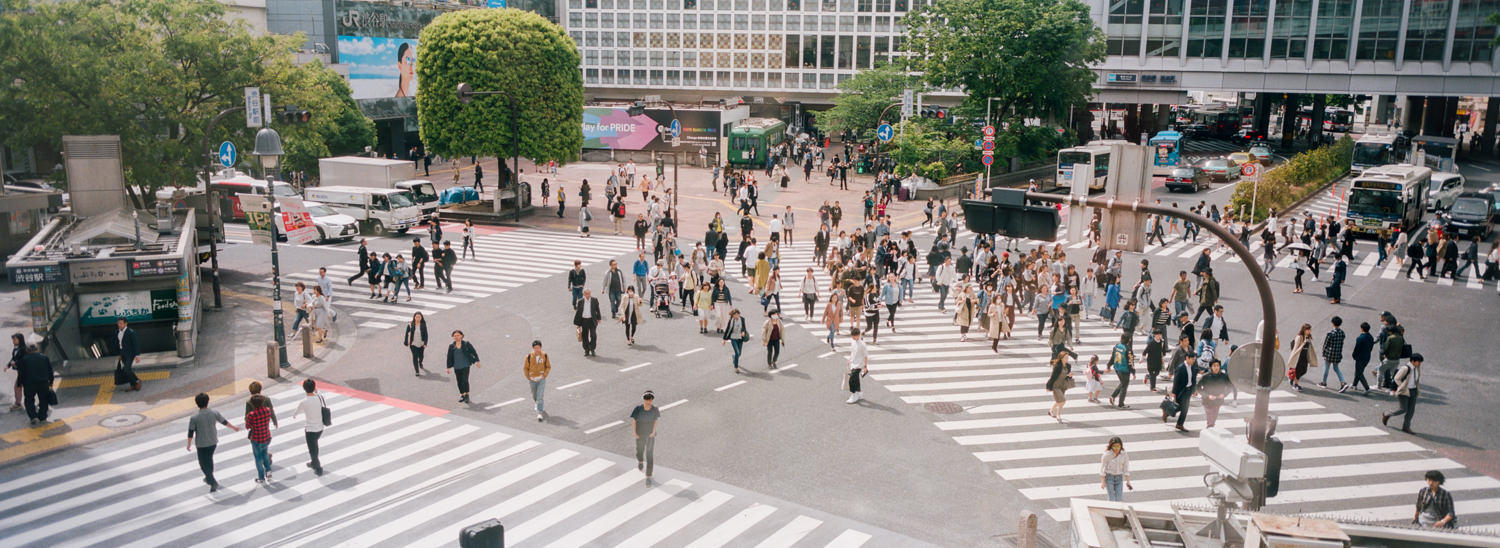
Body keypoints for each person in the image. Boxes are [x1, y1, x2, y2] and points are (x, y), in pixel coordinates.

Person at [186, 392, 239, 492]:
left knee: (203, 464)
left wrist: (189, 444)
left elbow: (190, 433)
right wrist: (233, 427)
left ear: (197, 403)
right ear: (208, 401)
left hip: (201, 444)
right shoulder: (214, 413)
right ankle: (208, 478)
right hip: (213, 442)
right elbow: (224, 421)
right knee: (209, 460)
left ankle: (212, 481)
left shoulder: (194, 418)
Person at [290, 378, 326, 476]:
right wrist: (316, 390)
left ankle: (317, 467)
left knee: (312, 449)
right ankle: (314, 462)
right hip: (320, 427)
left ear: (304, 389)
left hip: (310, 429)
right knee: (315, 445)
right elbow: (319, 392)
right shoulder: (319, 397)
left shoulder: (304, 402)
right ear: (314, 387)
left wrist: (294, 415)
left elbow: (297, 411)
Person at [1382, 353, 1422, 434]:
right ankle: (1387, 414)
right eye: (1419, 362)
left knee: (1411, 411)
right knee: (1403, 409)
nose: (1420, 363)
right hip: (1404, 391)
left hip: (1413, 390)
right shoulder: (1405, 368)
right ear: (1413, 361)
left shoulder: (1417, 368)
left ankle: (1406, 427)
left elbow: (1416, 380)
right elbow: (1397, 378)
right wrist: (1402, 387)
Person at [17, 344, 54, 424]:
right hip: (43, 383)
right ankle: (42, 416)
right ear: (37, 349)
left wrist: (19, 384)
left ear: (27, 350)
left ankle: (33, 417)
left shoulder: (24, 360)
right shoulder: (44, 357)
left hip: (29, 384)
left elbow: (21, 373)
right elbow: (50, 371)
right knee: (44, 400)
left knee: (29, 400)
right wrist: (51, 382)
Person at [244, 394, 276, 483]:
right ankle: (269, 473)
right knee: (265, 454)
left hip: (256, 439)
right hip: (266, 436)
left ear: (253, 404)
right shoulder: (267, 411)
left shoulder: (251, 415)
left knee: (258, 458)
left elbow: (247, 426)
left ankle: (261, 477)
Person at [631, 391, 660, 485]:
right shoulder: (638, 409)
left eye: (650, 400)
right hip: (640, 432)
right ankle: (640, 460)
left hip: (650, 434)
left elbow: (656, 421)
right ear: (644, 399)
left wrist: (653, 432)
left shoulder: (655, 409)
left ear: (652, 400)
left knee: (649, 454)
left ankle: (648, 476)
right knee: (639, 450)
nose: (648, 401)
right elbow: (634, 421)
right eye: (647, 399)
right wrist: (635, 433)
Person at [446, 330, 481, 403]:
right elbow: (449, 357)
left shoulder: (466, 344)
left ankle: (467, 395)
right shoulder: (451, 346)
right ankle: (462, 394)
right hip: (457, 366)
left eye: (458, 335)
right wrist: (448, 367)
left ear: (462, 336)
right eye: (455, 336)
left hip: (465, 365)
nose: (456, 337)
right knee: (459, 381)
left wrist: (477, 361)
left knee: (465, 380)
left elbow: (473, 352)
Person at [1198, 359, 1233, 428]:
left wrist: (1224, 394)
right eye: (1214, 366)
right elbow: (1198, 388)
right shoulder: (1205, 376)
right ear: (1211, 367)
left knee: (1214, 416)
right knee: (1210, 416)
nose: (1216, 367)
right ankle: (1210, 427)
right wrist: (1208, 396)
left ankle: (1211, 426)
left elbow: (1230, 386)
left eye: (1218, 366)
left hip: (1218, 400)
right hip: (1207, 401)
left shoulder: (1224, 376)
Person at [1167, 352, 1196, 432]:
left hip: (1189, 390)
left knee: (1183, 408)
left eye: (1194, 359)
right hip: (1181, 391)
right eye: (1192, 359)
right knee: (1183, 408)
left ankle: (1177, 422)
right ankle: (1176, 421)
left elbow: (1193, 379)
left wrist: (1194, 389)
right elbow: (1176, 381)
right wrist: (1174, 393)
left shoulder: (1193, 367)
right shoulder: (1180, 368)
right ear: (1187, 358)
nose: (1194, 361)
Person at [524, 340, 551, 422]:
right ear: (533, 348)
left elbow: (548, 366)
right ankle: (536, 402)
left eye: (538, 348)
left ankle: (539, 412)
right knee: (534, 394)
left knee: (540, 395)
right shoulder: (528, 357)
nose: (537, 349)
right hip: (532, 379)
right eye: (535, 348)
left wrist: (544, 375)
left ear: (541, 348)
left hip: (541, 378)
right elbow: (525, 368)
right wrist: (528, 377)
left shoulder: (545, 355)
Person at [1045, 350, 1075, 421]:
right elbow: (1052, 377)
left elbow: (1067, 376)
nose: (1067, 359)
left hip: (1063, 385)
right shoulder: (1057, 366)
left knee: (1059, 400)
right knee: (1062, 401)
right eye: (1065, 357)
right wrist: (1048, 387)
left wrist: (1069, 376)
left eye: (1068, 357)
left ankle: (1051, 411)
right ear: (1061, 358)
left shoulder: (1068, 366)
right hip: (1056, 386)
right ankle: (1058, 414)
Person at [1100, 437, 1132, 502]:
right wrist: (1103, 482)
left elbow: (1126, 468)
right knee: (1111, 499)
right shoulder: (1107, 455)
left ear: (1121, 446)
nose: (1116, 448)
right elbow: (1103, 469)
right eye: (1114, 446)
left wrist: (1128, 482)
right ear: (1111, 446)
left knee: (1118, 499)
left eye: (1118, 446)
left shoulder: (1124, 454)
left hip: (1119, 478)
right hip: (1109, 478)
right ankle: (1110, 511)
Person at [1288, 323, 1317, 391]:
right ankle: (1296, 384)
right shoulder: (1299, 337)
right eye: (1308, 330)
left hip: (1305, 356)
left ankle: (1292, 378)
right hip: (1299, 356)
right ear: (1304, 330)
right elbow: (1295, 347)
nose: (1310, 331)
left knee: (1304, 370)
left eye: (1310, 330)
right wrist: (1293, 356)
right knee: (1298, 370)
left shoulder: (1308, 337)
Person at [115, 318, 142, 392]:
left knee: (126, 369)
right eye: (118, 323)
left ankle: (137, 381)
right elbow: (119, 344)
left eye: (121, 323)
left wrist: (137, 355)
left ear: (125, 324)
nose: (119, 325)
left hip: (130, 353)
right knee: (127, 370)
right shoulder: (118, 332)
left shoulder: (130, 332)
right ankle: (132, 385)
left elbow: (136, 344)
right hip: (123, 353)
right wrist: (120, 354)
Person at [1321, 316, 1347, 391]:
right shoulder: (1342, 333)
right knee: (1336, 368)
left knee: (1326, 368)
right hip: (1337, 354)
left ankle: (1324, 382)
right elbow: (1341, 344)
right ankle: (1343, 382)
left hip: (1329, 354)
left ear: (1332, 323)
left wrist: (1323, 352)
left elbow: (1326, 344)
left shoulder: (1330, 333)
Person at [575, 289, 602, 356]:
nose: (588, 295)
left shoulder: (594, 300)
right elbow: (578, 312)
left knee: (593, 335)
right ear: (583, 294)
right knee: (585, 336)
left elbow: (597, 309)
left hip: (592, 320)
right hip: (584, 321)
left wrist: (599, 318)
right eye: (586, 293)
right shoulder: (580, 301)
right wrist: (578, 324)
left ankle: (592, 348)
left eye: (589, 293)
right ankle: (586, 350)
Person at [1351, 321, 1376, 393]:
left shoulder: (1360, 338)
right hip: (1367, 357)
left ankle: (1367, 388)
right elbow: (1371, 348)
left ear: (1362, 329)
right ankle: (1354, 385)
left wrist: (1354, 355)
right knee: (1359, 371)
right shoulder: (1371, 337)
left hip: (1360, 358)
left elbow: (1357, 348)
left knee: (1359, 373)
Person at [1107, 341, 1133, 409]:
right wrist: (1133, 371)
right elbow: (1130, 361)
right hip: (1125, 370)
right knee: (1124, 385)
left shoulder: (1117, 346)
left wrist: (1109, 365)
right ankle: (1120, 403)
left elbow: (1113, 357)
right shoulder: (1128, 349)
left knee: (1123, 383)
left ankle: (1113, 397)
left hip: (1117, 368)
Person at [721, 308, 748, 373]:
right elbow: (727, 329)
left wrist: (743, 331)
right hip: (733, 338)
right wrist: (724, 339)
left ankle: (734, 357)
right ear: (733, 315)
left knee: (739, 353)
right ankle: (736, 367)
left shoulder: (742, 319)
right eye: (735, 315)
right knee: (737, 352)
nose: (736, 316)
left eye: (737, 314)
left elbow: (744, 327)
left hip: (740, 338)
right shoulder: (731, 321)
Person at [846, 328, 869, 404]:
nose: (853, 338)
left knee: (851, 380)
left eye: (854, 336)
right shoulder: (853, 341)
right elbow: (852, 351)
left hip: (859, 365)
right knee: (855, 379)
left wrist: (865, 367)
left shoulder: (862, 345)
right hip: (853, 363)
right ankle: (859, 393)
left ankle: (854, 394)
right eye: (852, 336)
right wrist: (849, 359)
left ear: (858, 335)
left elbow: (866, 356)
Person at [405, 312, 429, 376]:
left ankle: (420, 362)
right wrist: (406, 342)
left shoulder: (423, 324)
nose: (418, 318)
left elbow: (426, 335)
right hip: (413, 344)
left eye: (419, 317)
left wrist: (425, 343)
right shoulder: (410, 324)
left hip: (421, 343)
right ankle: (417, 371)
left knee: (421, 356)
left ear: (421, 318)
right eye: (416, 317)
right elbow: (407, 334)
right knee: (415, 356)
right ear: (414, 317)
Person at [7, 333, 25, 411]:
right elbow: (13, 358)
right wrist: (8, 365)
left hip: (24, 371)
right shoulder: (16, 348)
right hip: (20, 371)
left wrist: (16, 363)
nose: (13, 341)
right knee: (18, 387)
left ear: (20, 340)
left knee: (17, 387)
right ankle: (18, 403)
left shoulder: (23, 349)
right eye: (13, 339)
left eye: (15, 339)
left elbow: (23, 360)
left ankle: (18, 403)